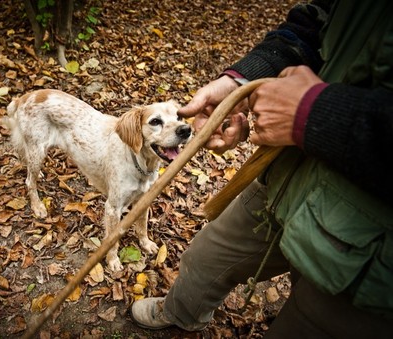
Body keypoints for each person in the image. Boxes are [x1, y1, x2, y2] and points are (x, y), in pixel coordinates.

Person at [130, 0, 393, 337]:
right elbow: (313, 24)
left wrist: (316, 114)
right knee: (204, 258)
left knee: (308, 316)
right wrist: (241, 81)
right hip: (289, 172)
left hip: (372, 244)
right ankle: (183, 314)